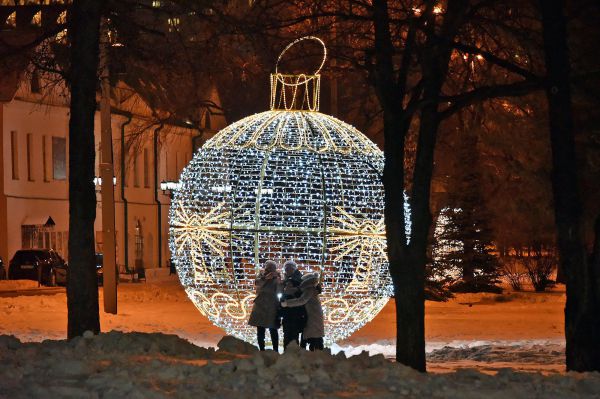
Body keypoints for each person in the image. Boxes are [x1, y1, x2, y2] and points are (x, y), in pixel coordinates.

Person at [281, 272, 324, 351]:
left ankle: (315, 354)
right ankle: (315, 353)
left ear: (306, 282)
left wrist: (287, 303)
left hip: (313, 316)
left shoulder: (309, 289)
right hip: (314, 315)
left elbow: (302, 300)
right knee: (314, 336)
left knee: (313, 336)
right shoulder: (312, 289)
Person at [248, 260, 281, 351]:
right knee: (260, 329)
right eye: (268, 268)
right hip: (261, 306)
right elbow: (257, 283)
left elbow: (279, 291)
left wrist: (279, 282)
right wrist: (266, 278)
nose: (270, 270)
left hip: (272, 306)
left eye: (272, 268)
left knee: (273, 329)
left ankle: (275, 350)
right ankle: (262, 349)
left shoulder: (277, 277)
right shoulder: (261, 275)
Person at [280, 260, 305, 350]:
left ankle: (293, 354)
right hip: (288, 312)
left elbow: (301, 296)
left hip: (295, 312)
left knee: (293, 334)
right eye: (286, 269)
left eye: (289, 268)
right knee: (288, 333)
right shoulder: (286, 280)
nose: (287, 270)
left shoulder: (298, 280)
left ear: (293, 269)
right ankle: (288, 353)